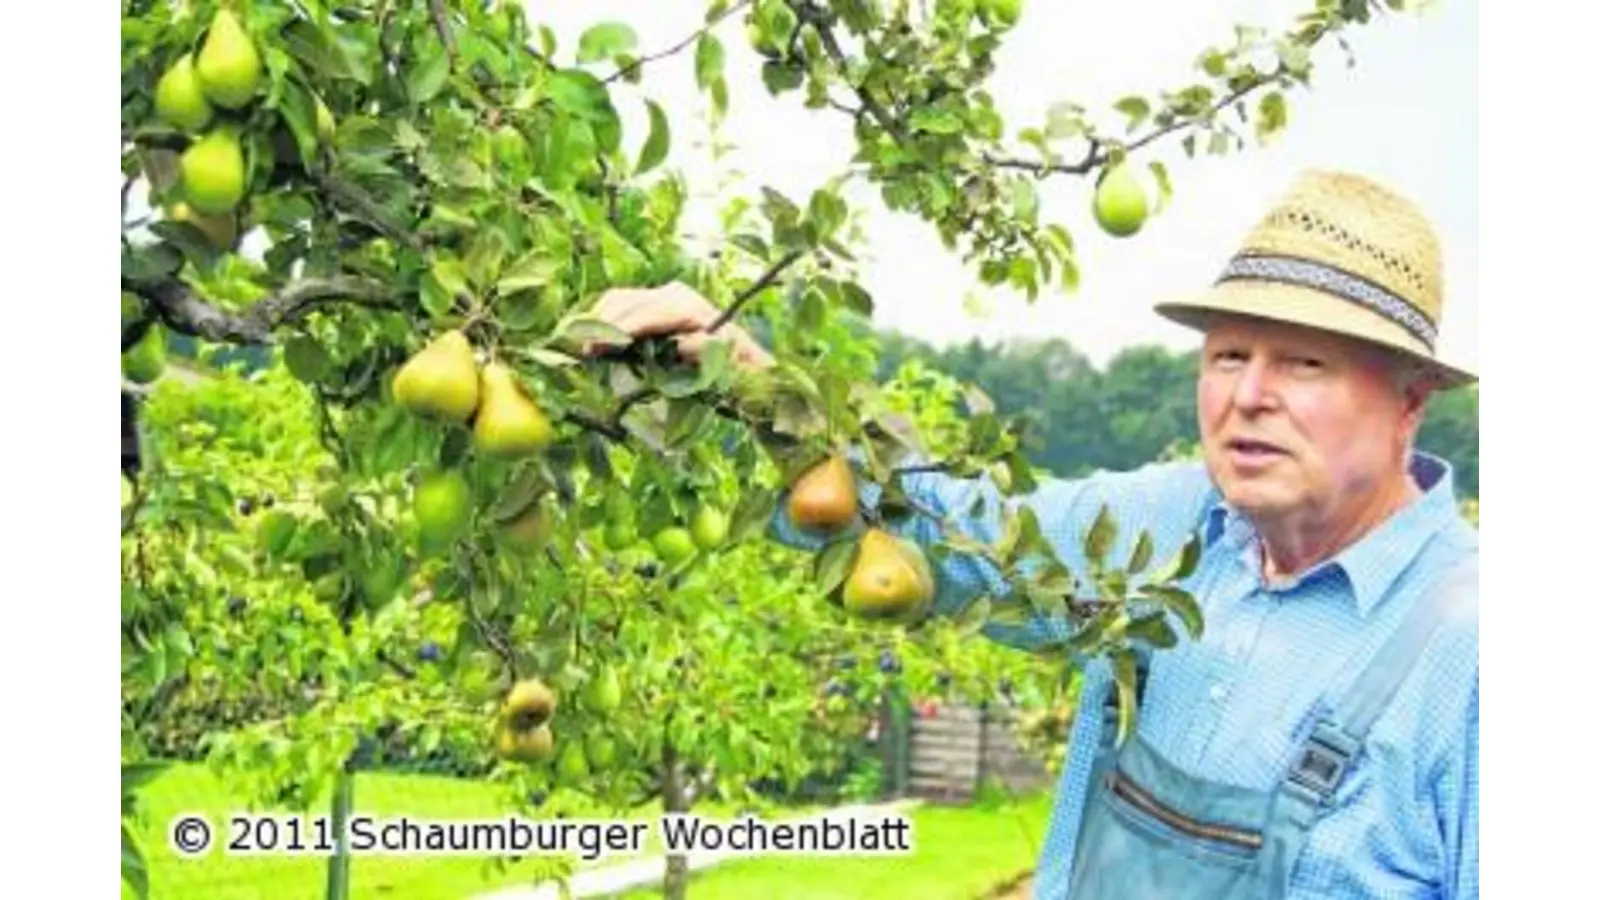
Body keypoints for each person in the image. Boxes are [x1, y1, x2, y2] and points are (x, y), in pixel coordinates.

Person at [584, 169, 1479, 899]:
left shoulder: (1474, 656)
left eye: (1305, 363)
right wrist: (751, 382)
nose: (1248, 396)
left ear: (1410, 400)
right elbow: (945, 528)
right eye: (1229, 356)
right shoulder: (1165, 530)